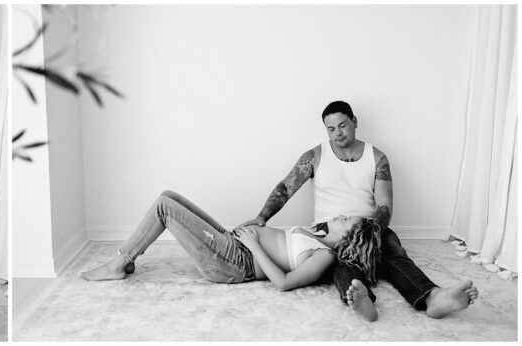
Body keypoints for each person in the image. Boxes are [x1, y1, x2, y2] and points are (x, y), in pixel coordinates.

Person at [236, 100, 478, 321]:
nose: (337, 133)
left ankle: (432, 297)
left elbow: (384, 205)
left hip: (367, 226)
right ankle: (362, 300)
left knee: (392, 248)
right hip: (328, 231)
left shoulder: (378, 158)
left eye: (342, 125)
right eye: (331, 129)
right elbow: (285, 188)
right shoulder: (314, 156)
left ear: (354, 122)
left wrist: (369, 234)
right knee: (342, 263)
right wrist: (261, 217)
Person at [82, 191, 381, 295]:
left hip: (234, 263)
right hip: (234, 245)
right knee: (169, 195)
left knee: (164, 206)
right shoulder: (316, 234)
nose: (341, 216)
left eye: (346, 221)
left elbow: (285, 282)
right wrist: (254, 229)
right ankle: (131, 256)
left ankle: (118, 263)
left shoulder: (324, 256)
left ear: (348, 238)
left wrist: (253, 246)